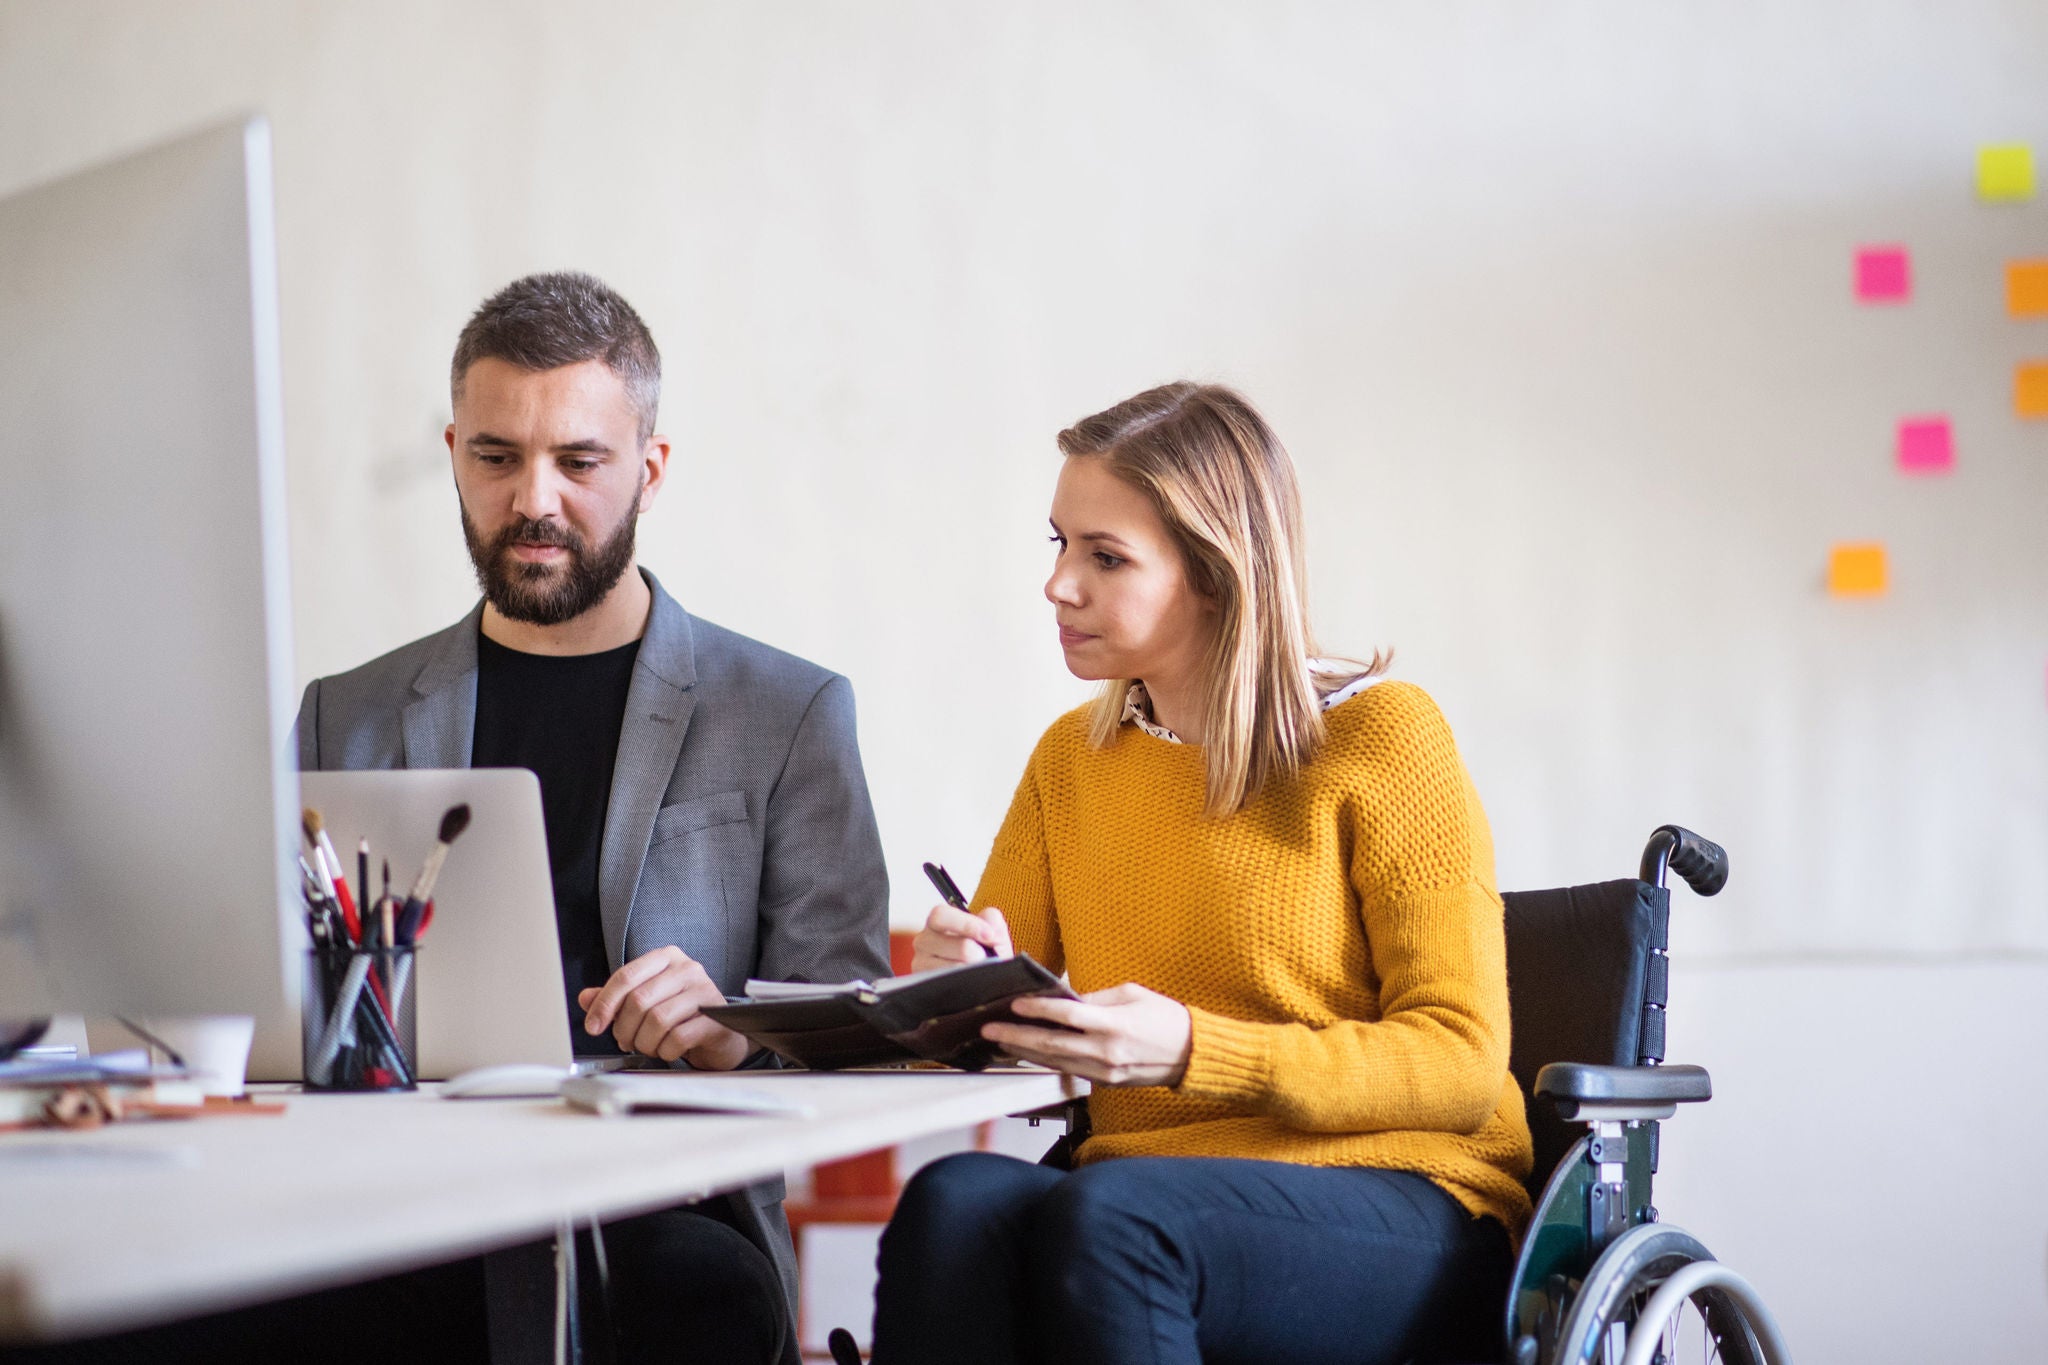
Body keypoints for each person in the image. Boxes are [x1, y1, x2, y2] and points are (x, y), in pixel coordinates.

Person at [866, 383, 1533, 1365]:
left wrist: (1192, 1050)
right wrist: (947, 988)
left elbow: (1459, 1063)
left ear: (1216, 577)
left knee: (1115, 1217)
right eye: (1057, 544)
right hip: (1135, 1192)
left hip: (1406, 1197)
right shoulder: (1070, 764)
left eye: (1104, 557)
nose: (1058, 584)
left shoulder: (1383, 740)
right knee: (951, 1204)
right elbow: (1000, 1036)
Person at [297, 271, 890, 1364]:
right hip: (399, 1196)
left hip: (665, 1210)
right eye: (496, 457)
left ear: (649, 470)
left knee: (678, 1303)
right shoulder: (348, 712)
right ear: (453, 456)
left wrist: (731, 1035)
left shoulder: (789, 712)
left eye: (578, 462)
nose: (534, 500)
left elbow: (853, 1041)